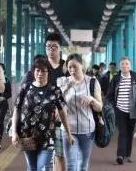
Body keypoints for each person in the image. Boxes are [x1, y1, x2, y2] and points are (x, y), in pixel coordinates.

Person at [12, 58, 75, 171]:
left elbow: (62, 112)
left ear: (48, 73)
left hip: (47, 137)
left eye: (43, 71)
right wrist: (14, 132)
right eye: (37, 70)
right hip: (27, 135)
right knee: (32, 167)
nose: (40, 74)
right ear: (33, 72)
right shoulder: (26, 88)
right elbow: (17, 109)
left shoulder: (54, 90)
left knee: (40, 166)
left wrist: (69, 133)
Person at [22, 34, 69, 170]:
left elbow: (72, 90)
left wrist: (63, 108)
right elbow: (24, 93)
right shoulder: (39, 67)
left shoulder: (66, 68)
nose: (51, 50)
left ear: (60, 48)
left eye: (54, 47)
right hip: (36, 122)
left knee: (60, 155)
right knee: (37, 163)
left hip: (59, 121)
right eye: (48, 47)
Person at [57, 54, 103, 171]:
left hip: (87, 130)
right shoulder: (63, 81)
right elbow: (57, 103)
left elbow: (99, 107)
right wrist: (66, 88)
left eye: (75, 67)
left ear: (82, 66)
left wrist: (92, 100)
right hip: (68, 130)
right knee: (71, 166)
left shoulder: (92, 82)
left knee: (83, 165)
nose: (72, 70)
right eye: (69, 67)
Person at [105, 57, 136, 165]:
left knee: (129, 132)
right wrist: (113, 107)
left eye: (127, 64)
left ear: (130, 66)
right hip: (119, 110)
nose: (124, 66)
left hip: (132, 111)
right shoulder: (116, 79)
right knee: (122, 132)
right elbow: (109, 95)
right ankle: (120, 155)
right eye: (122, 64)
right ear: (120, 66)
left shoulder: (135, 79)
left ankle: (128, 155)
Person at [0, 62, 12, 145]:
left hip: (3, 104)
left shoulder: (7, 80)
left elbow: (9, 94)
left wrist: (3, 97)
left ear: (3, 71)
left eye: (0, 69)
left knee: (0, 121)